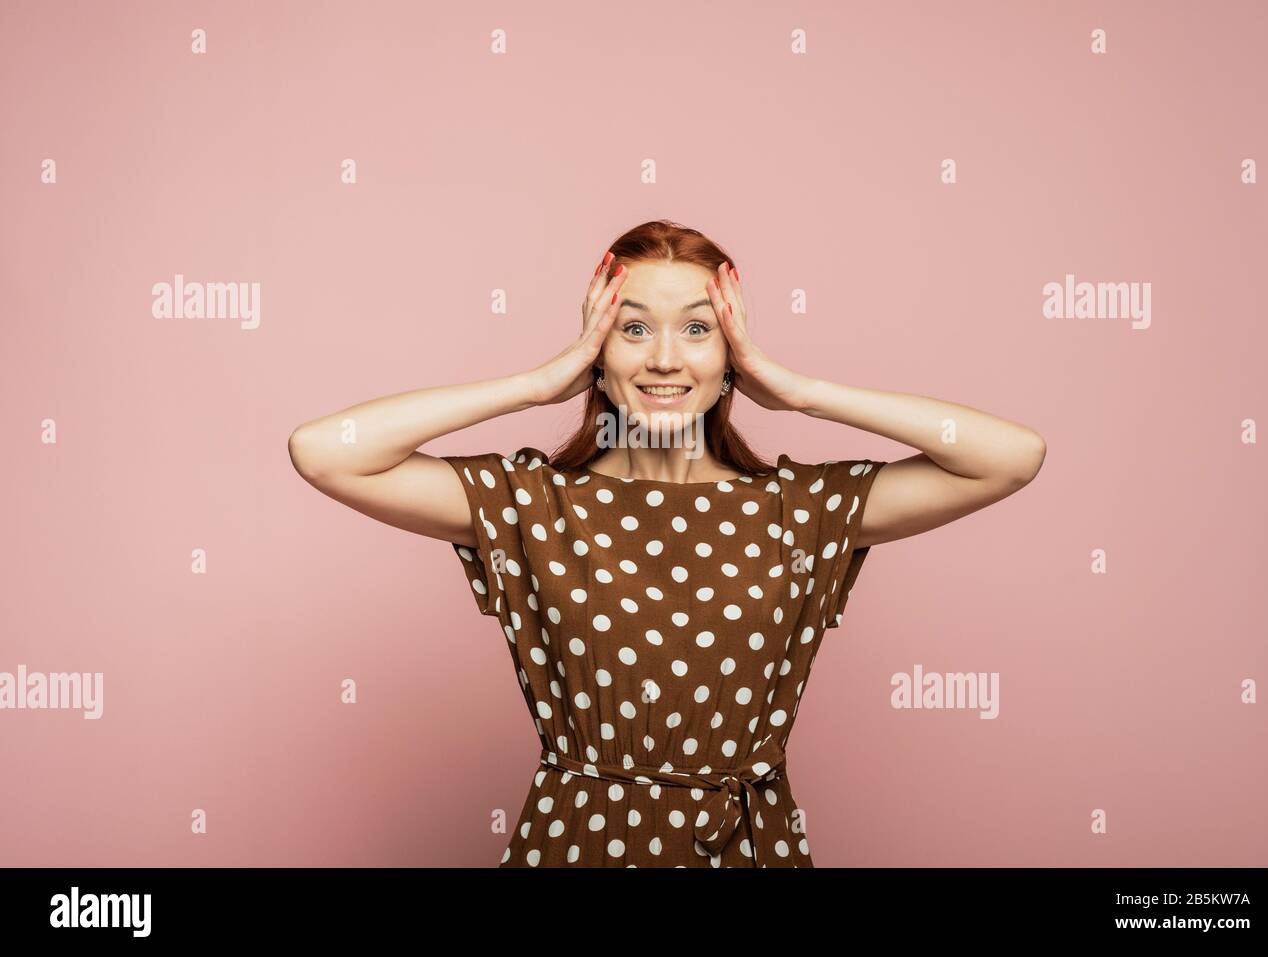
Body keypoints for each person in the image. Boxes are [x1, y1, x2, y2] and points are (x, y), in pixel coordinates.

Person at [287, 219, 1046, 867]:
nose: (663, 359)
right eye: (633, 326)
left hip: (746, 847)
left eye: (697, 328)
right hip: (578, 843)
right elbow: (326, 451)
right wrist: (535, 382)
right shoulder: (535, 504)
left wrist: (800, 390)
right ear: (599, 352)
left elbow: (1010, 456)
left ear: (729, 359)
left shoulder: (798, 508)